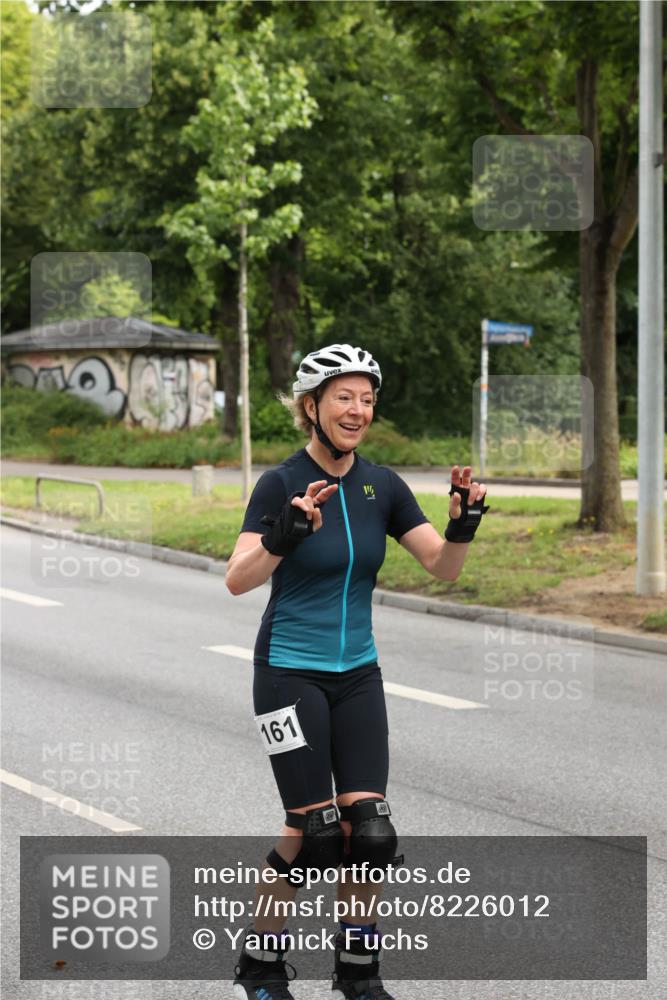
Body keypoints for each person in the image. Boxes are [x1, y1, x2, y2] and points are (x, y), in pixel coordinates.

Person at [226, 344, 489, 1000]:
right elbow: (237, 580)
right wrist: (282, 537)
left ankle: (357, 972)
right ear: (310, 407)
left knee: (369, 833)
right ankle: (258, 967)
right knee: (313, 832)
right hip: (287, 674)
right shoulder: (279, 484)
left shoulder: (382, 485)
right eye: (343, 396)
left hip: (357, 675)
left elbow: (442, 567)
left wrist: (464, 524)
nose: (358, 409)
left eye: (366, 399)